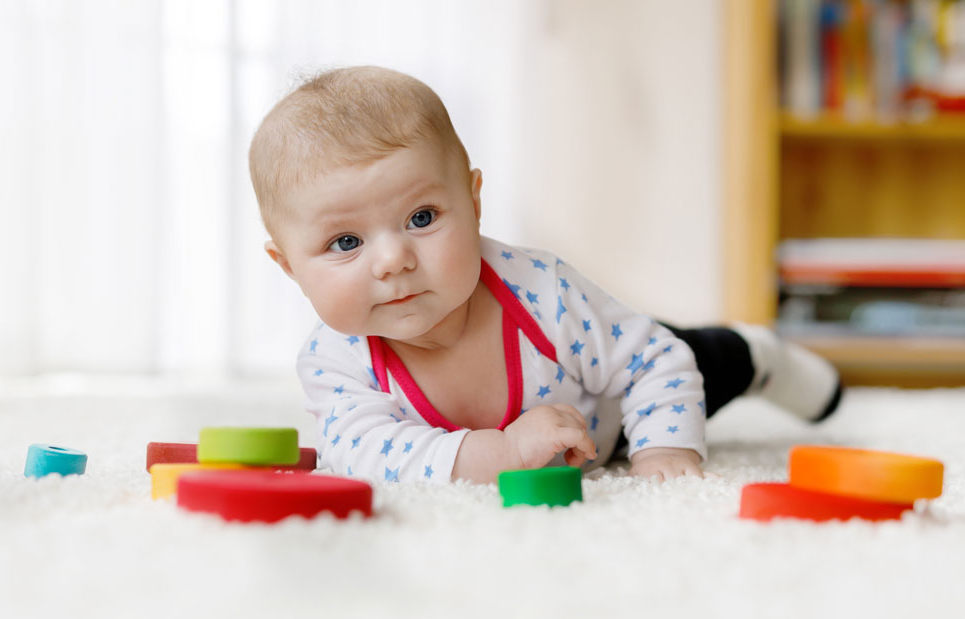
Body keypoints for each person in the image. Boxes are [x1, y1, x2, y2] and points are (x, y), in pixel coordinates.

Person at [248, 66, 842, 485]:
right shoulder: (337, 359)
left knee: (708, 359)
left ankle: (762, 356)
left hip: (621, 391)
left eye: (422, 217)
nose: (393, 260)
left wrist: (664, 450)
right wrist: (498, 454)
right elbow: (362, 455)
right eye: (345, 242)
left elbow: (654, 363)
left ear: (474, 201)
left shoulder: (541, 292)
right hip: (567, 415)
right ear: (289, 266)